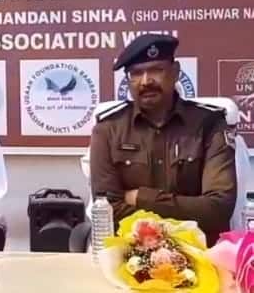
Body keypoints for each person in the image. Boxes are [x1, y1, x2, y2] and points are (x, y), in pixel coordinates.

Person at [90, 34, 237, 246]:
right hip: (132, 255)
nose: (146, 81)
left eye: (156, 70)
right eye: (136, 73)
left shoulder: (210, 124)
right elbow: (108, 210)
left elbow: (218, 209)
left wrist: (141, 197)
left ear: (175, 72)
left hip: (202, 255)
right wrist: (181, 217)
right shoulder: (108, 129)